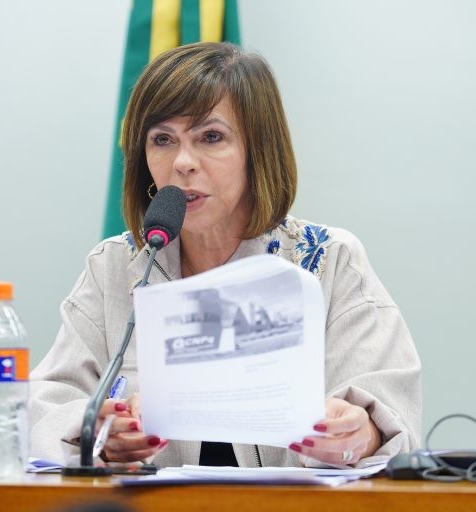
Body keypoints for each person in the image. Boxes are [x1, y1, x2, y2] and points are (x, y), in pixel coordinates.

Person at [29, 42, 421, 468]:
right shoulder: (116, 266)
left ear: (258, 150)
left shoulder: (328, 260)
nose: (182, 162)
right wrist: (99, 432)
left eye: (210, 137)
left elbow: (388, 409)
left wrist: (361, 434)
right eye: (162, 140)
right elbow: (43, 408)